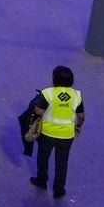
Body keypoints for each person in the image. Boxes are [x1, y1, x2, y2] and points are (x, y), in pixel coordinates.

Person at [27, 65, 85, 199]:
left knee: (43, 157)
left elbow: (39, 111)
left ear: (54, 79)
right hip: (67, 135)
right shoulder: (77, 95)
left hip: (47, 133)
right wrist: (78, 126)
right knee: (62, 162)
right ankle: (59, 189)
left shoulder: (48, 93)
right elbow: (81, 116)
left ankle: (41, 180)